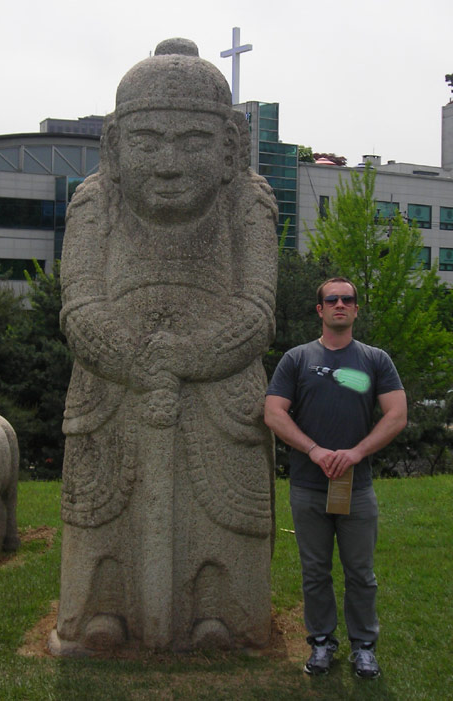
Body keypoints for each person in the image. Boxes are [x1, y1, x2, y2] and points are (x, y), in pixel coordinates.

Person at [50, 38, 279, 655]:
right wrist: (130, 357)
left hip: (220, 390)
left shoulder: (248, 201)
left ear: (230, 145)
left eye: (194, 142)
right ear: (115, 145)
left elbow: (258, 311)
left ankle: (220, 611)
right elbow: (78, 303)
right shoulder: (95, 202)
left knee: (226, 512)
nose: (170, 163)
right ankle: (103, 608)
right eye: (149, 142)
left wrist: (189, 357)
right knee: (101, 511)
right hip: (113, 384)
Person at [264, 277, 407, 678]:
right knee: (315, 571)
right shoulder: (297, 359)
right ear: (320, 310)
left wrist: (356, 453)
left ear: (356, 310)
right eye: (332, 299)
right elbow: (274, 412)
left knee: (361, 572)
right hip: (309, 486)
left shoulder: (375, 360)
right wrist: (314, 450)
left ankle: (364, 646)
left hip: (356, 488)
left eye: (348, 299)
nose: (340, 304)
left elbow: (397, 414)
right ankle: (322, 642)